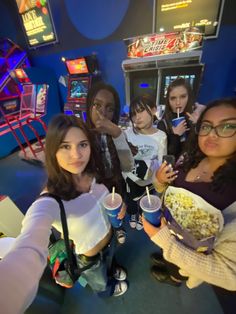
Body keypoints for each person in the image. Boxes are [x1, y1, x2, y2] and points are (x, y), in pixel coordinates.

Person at [1, 114, 129, 313]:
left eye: (82, 145)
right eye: (65, 146)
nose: (77, 155)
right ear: (53, 151)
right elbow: (31, 239)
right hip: (90, 258)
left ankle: (112, 269)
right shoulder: (50, 200)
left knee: (111, 261)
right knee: (100, 282)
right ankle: (108, 290)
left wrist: (119, 208)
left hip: (111, 238)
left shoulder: (93, 172)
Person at [143, 98, 236, 299]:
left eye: (228, 126)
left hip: (191, 252)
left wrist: (165, 242)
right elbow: (166, 190)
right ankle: (167, 261)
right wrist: (159, 181)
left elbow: (230, 274)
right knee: (169, 258)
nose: (212, 134)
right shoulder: (189, 157)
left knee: (179, 270)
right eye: (206, 126)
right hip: (170, 232)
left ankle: (174, 279)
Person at [86, 82, 134, 243]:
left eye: (110, 108)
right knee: (100, 221)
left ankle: (119, 228)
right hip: (94, 189)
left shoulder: (118, 133)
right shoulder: (81, 137)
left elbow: (128, 166)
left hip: (116, 183)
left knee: (117, 214)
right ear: (88, 106)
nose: (103, 113)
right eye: (97, 105)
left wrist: (118, 134)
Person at [123, 95, 167, 230]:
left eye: (141, 110)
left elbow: (161, 161)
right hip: (131, 178)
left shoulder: (161, 136)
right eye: (133, 114)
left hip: (149, 180)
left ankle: (142, 215)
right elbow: (123, 160)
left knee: (146, 199)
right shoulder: (127, 133)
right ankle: (132, 214)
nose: (137, 117)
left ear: (153, 110)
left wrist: (150, 172)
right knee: (131, 200)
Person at [157, 77, 205, 159]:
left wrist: (198, 127)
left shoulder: (197, 117)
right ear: (168, 100)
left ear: (189, 97)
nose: (178, 102)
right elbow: (165, 156)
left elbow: (203, 150)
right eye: (173, 98)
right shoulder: (163, 124)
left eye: (183, 96)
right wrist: (175, 136)